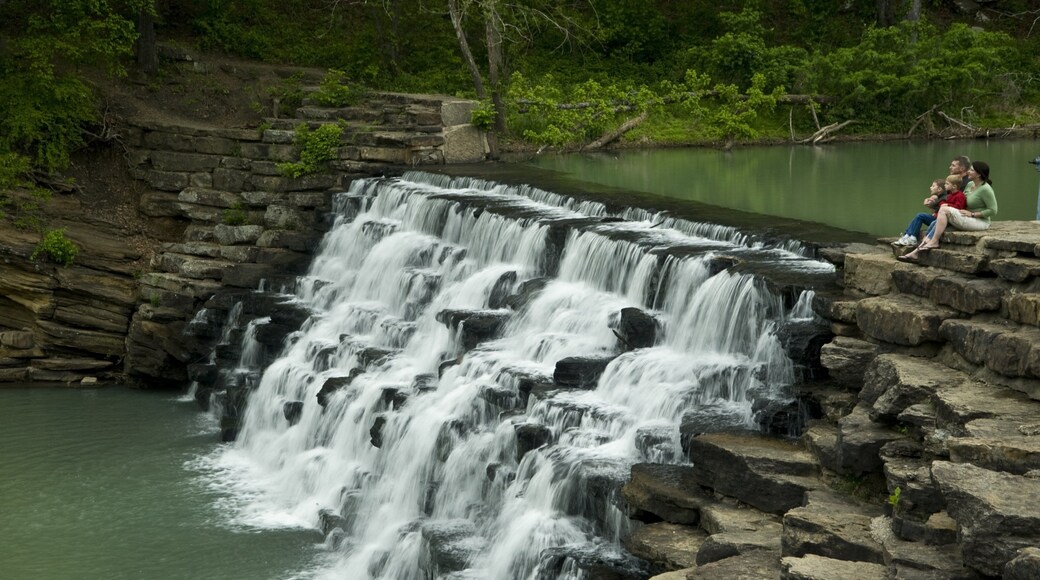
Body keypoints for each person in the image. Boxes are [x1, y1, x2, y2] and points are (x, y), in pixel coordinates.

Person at [899, 161, 998, 262]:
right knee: (934, 222)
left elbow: (993, 210)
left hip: (980, 222)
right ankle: (916, 251)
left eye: (971, 170)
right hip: (965, 217)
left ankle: (934, 241)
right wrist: (935, 197)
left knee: (944, 210)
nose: (968, 171)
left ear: (979, 174)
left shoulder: (986, 189)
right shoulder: (970, 184)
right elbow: (956, 196)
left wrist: (973, 214)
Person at [892, 155, 971, 247]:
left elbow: (954, 202)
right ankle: (908, 235)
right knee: (920, 216)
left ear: (962, 168)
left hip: (951, 216)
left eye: (953, 165)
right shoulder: (955, 181)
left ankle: (913, 238)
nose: (950, 167)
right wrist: (934, 197)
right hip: (942, 213)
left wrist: (935, 204)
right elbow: (945, 195)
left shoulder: (965, 183)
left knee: (922, 216)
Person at [893, 179, 947, 246]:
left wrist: (932, 205)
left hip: (938, 221)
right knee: (918, 216)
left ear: (939, 189)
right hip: (936, 219)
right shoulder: (939, 198)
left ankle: (912, 238)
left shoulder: (943, 199)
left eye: (933, 186)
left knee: (920, 216)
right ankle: (907, 235)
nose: (930, 187)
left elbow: (941, 211)